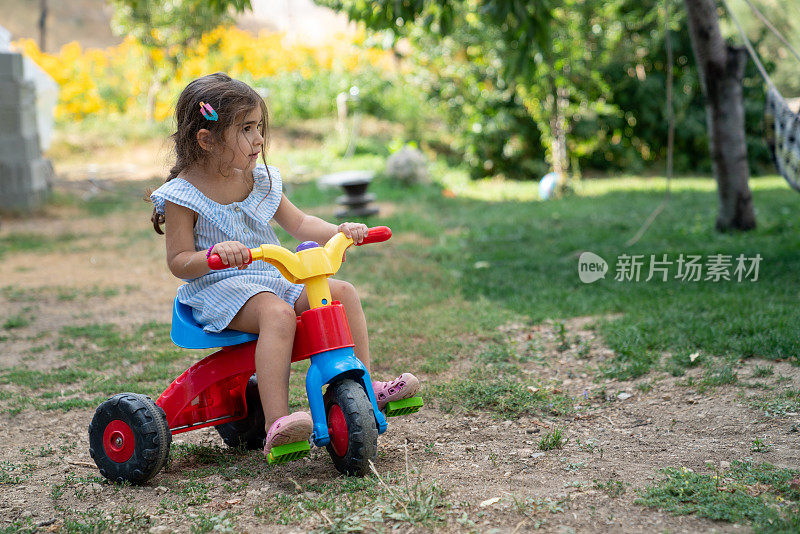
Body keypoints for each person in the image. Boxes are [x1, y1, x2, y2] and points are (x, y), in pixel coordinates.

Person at [149, 73, 419, 458]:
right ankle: (277, 422)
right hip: (221, 287)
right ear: (206, 140)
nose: (259, 138)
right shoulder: (182, 195)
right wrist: (213, 256)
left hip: (272, 275)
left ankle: (364, 383)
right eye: (245, 129)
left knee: (342, 293)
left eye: (258, 126)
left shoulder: (258, 180)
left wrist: (339, 230)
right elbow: (178, 262)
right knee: (278, 316)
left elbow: (302, 224)